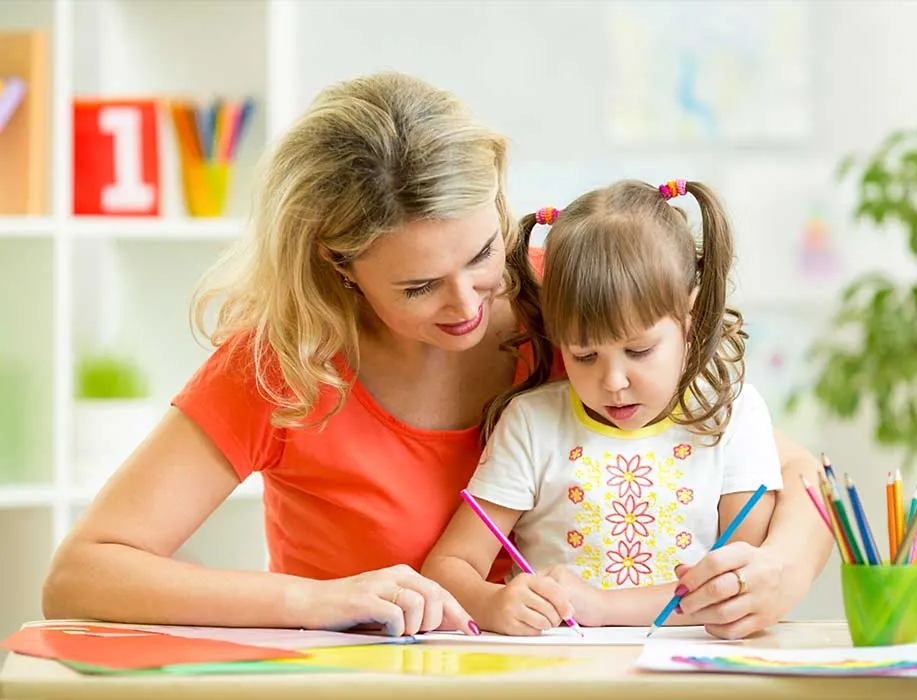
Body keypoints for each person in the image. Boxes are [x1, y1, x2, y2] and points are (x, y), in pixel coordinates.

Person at [41, 72, 831, 640]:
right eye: (419, 286)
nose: (470, 304)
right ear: (337, 262)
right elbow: (84, 572)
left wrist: (782, 573)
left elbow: (794, 474)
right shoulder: (285, 364)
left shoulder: (565, 314)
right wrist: (314, 600)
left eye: (483, 252)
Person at [422, 178, 785, 636]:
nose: (613, 382)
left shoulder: (735, 416)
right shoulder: (532, 425)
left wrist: (603, 606)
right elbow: (448, 565)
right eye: (584, 356)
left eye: (639, 351)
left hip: (690, 670)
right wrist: (492, 602)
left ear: (689, 319)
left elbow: (733, 585)